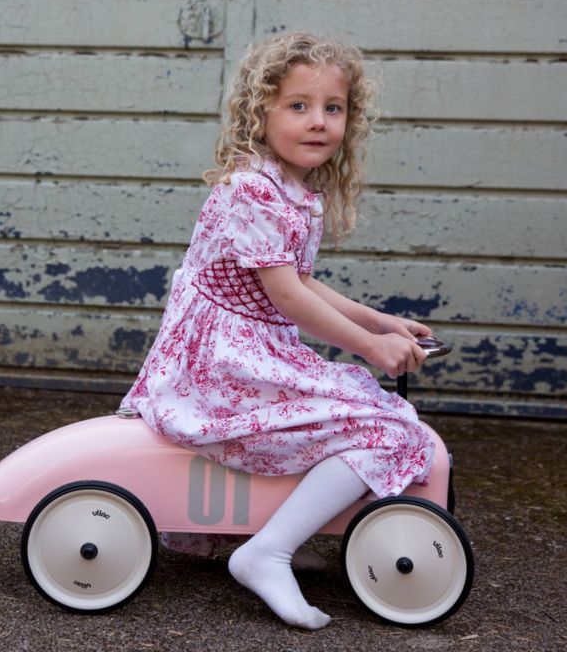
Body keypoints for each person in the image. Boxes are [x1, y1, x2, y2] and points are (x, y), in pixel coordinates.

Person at [119, 31, 435, 629]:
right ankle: (267, 551)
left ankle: (272, 531)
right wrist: (370, 348)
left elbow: (304, 282)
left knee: (364, 412)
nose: (318, 122)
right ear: (259, 112)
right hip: (220, 363)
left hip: (250, 348)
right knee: (386, 427)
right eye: (298, 106)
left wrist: (380, 320)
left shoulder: (291, 190)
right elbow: (286, 295)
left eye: (332, 108)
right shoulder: (252, 190)